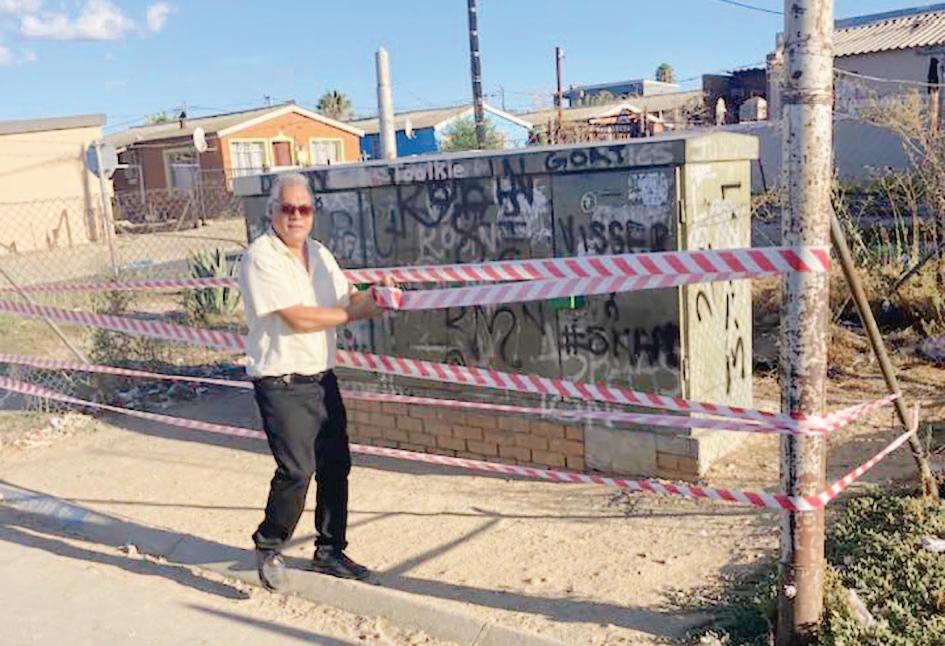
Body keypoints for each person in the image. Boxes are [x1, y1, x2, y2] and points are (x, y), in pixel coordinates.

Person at [239, 172, 390, 590]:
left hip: (321, 376)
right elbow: (298, 317)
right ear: (272, 211)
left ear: (312, 213)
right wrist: (356, 312)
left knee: (335, 465)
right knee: (297, 470)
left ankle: (330, 551)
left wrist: (377, 295)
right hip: (281, 381)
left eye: (303, 209)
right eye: (287, 208)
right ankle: (269, 544)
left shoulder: (320, 254)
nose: (296, 216)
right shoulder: (261, 257)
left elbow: (348, 299)